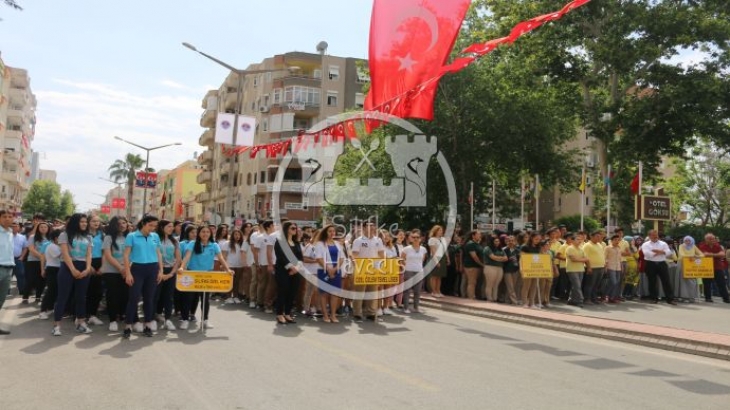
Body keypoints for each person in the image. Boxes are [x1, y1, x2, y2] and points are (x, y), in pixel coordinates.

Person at [180, 225, 233, 330]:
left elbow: (221, 258)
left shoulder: (214, 245)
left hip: (207, 275)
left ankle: (205, 320)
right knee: (188, 298)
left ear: (211, 234)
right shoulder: (192, 243)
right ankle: (185, 319)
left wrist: (228, 269)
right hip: (192, 274)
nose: (205, 234)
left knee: (205, 299)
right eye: (203, 232)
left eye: (207, 232)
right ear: (199, 233)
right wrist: (182, 267)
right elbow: (187, 256)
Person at [122, 215, 164, 339]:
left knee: (149, 299)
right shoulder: (132, 236)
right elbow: (126, 255)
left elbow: (159, 254)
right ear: (144, 223)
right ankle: (128, 326)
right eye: (151, 225)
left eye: (155, 226)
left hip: (152, 269)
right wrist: (128, 273)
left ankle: (147, 325)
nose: (153, 228)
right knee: (133, 298)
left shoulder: (155, 236)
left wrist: (160, 270)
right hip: (137, 269)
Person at [52, 213, 94, 336]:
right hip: (67, 267)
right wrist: (72, 269)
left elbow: (89, 254)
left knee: (81, 297)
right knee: (62, 297)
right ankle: (57, 325)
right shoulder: (64, 235)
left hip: (83, 267)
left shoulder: (88, 237)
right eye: (81, 222)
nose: (84, 224)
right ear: (75, 222)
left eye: (86, 222)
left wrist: (87, 269)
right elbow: (65, 254)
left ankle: (81, 323)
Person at [351, 221, 385, 322]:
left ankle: (370, 313)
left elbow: (382, 254)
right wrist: (361, 266)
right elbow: (355, 255)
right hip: (362, 269)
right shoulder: (358, 240)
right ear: (364, 228)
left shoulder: (378, 240)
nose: (373, 228)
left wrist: (381, 265)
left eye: (374, 226)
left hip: (374, 269)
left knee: (372, 292)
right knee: (359, 293)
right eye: (370, 226)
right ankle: (357, 313)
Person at [100, 216, 129, 332]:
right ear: (113, 225)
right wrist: (120, 268)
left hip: (126, 270)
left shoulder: (130, 237)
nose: (122, 225)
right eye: (119, 223)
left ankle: (122, 314)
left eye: (124, 223)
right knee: (112, 295)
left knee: (125, 294)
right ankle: (112, 320)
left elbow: (133, 254)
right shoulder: (108, 237)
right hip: (111, 271)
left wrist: (126, 269)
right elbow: (108, 255)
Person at [274, 221, 303, 324]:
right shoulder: (280, 241)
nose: (295, 230)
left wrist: (297, 268)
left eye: (295, 228)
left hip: (296, 271)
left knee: (292, 292)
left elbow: (300, 258)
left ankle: (287, 313)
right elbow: (281, 256)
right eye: (292, 228)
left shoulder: (296, 243)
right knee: (283, 292)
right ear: (286, 229)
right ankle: (279, 314)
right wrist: (290, 267)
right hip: (283, 270)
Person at [315, 224, 344, 323]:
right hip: (323, 271)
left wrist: (335, 269)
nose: (332, 233)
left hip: (336, 271)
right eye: (330, 231)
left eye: (333, 231)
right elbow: (318, 258)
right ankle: (325, 315)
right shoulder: (320, 244)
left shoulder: (337, 244)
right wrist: (328, 269)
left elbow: (342, 258)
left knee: (335, 294)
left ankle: (333, 315)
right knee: (324, 294)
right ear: (325, 232)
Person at [155, 219, 181, 330]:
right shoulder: (155, 239)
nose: (172, 228)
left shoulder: (175, 241)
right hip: (156, 271)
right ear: (162, 227)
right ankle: (153, 316)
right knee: (155, 295)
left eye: (172, 226)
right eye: (169, 226)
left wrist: (171, 273)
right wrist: (160, 272)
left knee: (168, 296)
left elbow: (178, 259)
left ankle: (168, 319)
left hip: (170, 271)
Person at [640, 230, 677, 305]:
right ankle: (654, 298)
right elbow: (647, 254)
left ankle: (670, 299)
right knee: (652, 282)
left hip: (662, 263)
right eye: (653, 235)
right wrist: (660, 252)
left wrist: (661, 252)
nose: (655, 236)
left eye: (656, 235)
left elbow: (669, 253)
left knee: (666, 281)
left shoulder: (663, 243)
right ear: (649, 236)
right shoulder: (645, 244)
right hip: (650, 264)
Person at [401, 229, 427, 313]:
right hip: (409, 271)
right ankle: (406, 308)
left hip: (419, 271)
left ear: (420, 239)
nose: (415, 238)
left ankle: (416, 307)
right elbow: (402, 259)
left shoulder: (423, 249)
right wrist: (406, 265)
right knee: (407, 290)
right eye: (413, 237)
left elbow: (422, 260)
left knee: (417, 291)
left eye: (417, 237)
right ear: (411, 238)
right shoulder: (406, 249)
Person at [698, 233, 730, 303]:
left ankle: (726, 298)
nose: (714, 240)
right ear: (707, 240)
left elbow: (722, 254)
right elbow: (703, 255)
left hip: (718, 267)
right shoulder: (702, 245)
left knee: (721, 283)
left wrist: (711, 254)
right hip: (707, 267)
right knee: (707, 283)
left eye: (714, 238)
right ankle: (708, 297)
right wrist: (716, 255)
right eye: (711, 239)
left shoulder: (717, 245)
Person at [85, 215, 105, 326]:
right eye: (93, 221)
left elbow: (105, 252)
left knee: (97, 291)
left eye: (98, 221)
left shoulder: (102, 235)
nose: (96, 223)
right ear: (88, 222)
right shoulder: (83, 234)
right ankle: (82, 314)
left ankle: (93, 314)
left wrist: (102, 266)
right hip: (86, 262)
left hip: (99, 262)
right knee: (85, 290)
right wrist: (88, 265)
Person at [24, 221, 51, 304]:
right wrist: (42, 257)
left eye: (45, 227)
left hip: (45, 262)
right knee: (31, 279)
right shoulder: (32, 237)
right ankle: (25, 297)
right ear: (38, 228)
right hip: (33, 261)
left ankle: (38, 297)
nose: (43, 229)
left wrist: (45, 259)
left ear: (48, 229)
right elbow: (31, 249)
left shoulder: (50, 238)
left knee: (42, 279)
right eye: (41, 227)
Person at [39, 229, 62, 320]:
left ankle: (50, 308)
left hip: (58, 269)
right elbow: (60, 256)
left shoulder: (58, 246)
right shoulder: (52, 246)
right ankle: (42, 311)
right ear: (56, 238)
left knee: (55, 291)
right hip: (52, 269)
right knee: (50, 290)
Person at [0, 210, 16, 334]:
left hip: (8, 268)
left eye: (10, 217)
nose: (7, 219)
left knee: (1, 299)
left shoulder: (10, 232)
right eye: (4, 216)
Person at [677, 235, 704, 303]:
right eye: (686, 240)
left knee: (692, 281)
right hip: (682, 265)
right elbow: (682, 254)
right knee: (683, 281)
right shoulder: (681, 246)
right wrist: (692, 256)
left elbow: (702, 255)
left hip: (691, 266)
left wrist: (696, 256)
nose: (687, 242)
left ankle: (692, 297)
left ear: (692, 241)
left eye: (689, 240)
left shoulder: (694, 246)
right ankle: (683, 296)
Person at [221, 229, 245, 304]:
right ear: (232, 235)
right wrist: (223, 265)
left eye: (238, 234)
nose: (237, 236)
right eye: (235, 234)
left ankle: (236, 296)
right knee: (229, 281)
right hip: (230, 265)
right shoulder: (227, 243)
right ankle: (228, 297)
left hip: (239, 265)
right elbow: (224, 255)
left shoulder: (242, 244)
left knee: (237, 282)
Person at [582, 231, 606, 304]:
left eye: (600, 236)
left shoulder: (599, 245)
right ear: (591, 236)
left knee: (596, 285)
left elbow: (602, 255)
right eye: (597, 236)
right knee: (590, 284)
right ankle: (587, 299)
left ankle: (594, 298)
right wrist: (589, 267)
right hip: (592, 268)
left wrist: (604, 265)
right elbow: (585, 257)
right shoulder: (587, 245)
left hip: (600, 267)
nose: (599, 238)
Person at [565, 234, 588, 308]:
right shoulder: (570, 248)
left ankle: (571, 300)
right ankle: (580, 300)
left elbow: (586, 258)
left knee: (575, 286)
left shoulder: (581, 249)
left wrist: (580, 259)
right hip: (572, 270)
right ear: (572, 240)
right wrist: (581, 259)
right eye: (577, 239)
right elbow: (573, 259)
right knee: (577, 286)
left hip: (581, 269)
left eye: (580, 239)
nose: (579, 241)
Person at [520, 233, 542, 308]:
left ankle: (532, 303)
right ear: (531, 238)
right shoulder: (525, 247)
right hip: (527, 268)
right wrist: (522, 269)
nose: (537, 241)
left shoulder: (538, 247)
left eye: (539, 239)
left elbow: (540, 257)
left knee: (534, 286)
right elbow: (522, 258)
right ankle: (524, 302)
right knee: (526, 286)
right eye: (536, 239)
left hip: (535, 268)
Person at [483, 235, 507, 302]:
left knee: (496, 284)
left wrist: (498, 259)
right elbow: (492, 257)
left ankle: (495, 298)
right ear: (492, 242)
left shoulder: (501, 249)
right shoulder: (487, 248)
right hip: (490, 267)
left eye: (498, 241)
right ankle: (489, 298)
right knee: (490, 284)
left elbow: (506, 258)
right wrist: (501, 258)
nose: (497, 242)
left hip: (499, 268)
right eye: (495, 241)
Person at [427, 225, 449, 298]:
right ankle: (434, 291)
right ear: (435, 231)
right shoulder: (432, 239)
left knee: (440, 276)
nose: (441, 232)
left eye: (441, 230)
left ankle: (438, 290)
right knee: (434, 276)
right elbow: (433, 251)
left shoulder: (443, 239)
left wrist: (448, 258)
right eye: (439, 230)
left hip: (442, 258)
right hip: (435, 258)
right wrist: (436, 261)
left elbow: (445, 250)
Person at [461, 230, 484, 300]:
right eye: (478, 234)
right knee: (472, 282)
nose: (480, 236)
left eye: (480, 234)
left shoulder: (477, 244)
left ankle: (473, 296)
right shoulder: (470, 244)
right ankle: (471, 297)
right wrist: (482, 264)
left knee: (474, 282)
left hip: (477, 266)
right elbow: (474, 257)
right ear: (473, 236)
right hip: (471, 266)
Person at [604, 235, 623, 304]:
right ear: (612, 240)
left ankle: (611, 297)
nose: (617, 241)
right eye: (615, 240)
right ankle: (607, 295)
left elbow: (620, 259)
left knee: (616, 283)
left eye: (618, 240)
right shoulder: (608, 248)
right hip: (610, 267)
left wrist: (621, 267)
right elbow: (605, 257)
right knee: (613, 282)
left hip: (618, 267)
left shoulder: (619, 248)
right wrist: (605, 267)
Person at [11, 220, 27, 300]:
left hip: (18, 259)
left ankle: (22, 291)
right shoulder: (5, 236)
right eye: (12, 226)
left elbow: (25, 248)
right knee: (7, 276)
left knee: (21, 275)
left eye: (16, 226)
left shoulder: (22, 237)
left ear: (19, 228)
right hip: (7, 259)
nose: (14, 227)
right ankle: (5, 292)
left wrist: (22, 257)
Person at [502, 235, 520, 305]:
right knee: (510, 286)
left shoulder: (518, 251)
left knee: (513, 286)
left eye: (512, 241)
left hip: (515, 270)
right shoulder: (504, 250)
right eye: (509, 241)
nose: (511, 242)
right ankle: (514, 301)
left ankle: (507, 300)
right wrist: (508, 259)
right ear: (507, 241)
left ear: (515, 242)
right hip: (507, 270)